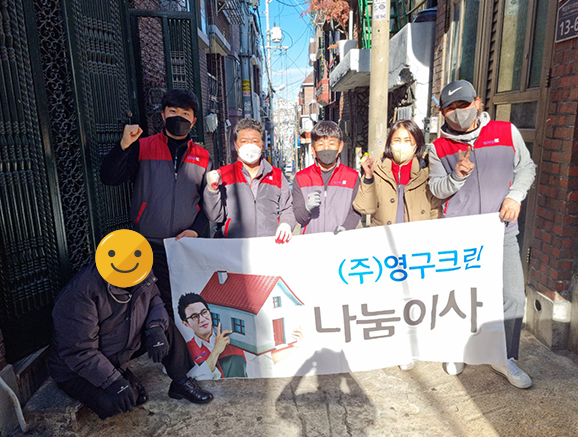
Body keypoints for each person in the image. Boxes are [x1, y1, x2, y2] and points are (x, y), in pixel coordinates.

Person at [428, 79, 536, 388]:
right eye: (450, 108)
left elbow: (526, 168)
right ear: (442, 113)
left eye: (463, 104)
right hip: (459, 235)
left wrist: (514, 197)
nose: (457, 112)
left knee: (512, 296)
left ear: (477, 103)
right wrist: (456, 175)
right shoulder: (438, 148)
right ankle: (458, 349)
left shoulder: (506, 132)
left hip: (501, 230)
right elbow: (437, 189)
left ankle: (505, 357)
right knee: (459, 296)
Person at [48, 263, 213, 420]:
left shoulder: (140, 267)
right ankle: (119, 373)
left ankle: (180, 381)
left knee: (165, 326)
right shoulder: (78, 294)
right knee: (116, 403)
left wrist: (155, 328)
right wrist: (113, 381)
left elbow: (154, 299)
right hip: (74, 369)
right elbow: (80, 352)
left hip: (120, 343)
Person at [100, 88, 211, 317]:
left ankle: (181, 339)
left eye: (185, 113)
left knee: (185, 301)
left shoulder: (203, 156)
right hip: (149, 244)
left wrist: (196, 230)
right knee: (154, 304)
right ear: (163, 115)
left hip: (185, 246)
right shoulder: (143, 146)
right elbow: (109, 178)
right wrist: (123, 145)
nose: (179, 117)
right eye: (173, 111)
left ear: (193, 121)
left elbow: (208, 201)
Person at [353, 119, 443, 370]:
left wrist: (432, 242)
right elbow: (365, 208)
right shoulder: (378, 170)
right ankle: (394, 344)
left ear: (417, 144)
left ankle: (412, 345)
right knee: (390, 297)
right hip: (385, 244)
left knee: (414, 297)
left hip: (416, 245)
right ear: (389, 143)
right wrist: (367, 178)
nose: (401, 146)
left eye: (407, 141)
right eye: (397, 140)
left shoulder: (427, 171)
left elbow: (435, 210)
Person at [203, 118, 295, 242]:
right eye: (244, 141)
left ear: (262, 146)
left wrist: (286, 224)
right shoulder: (224, 174)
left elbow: (287, 208)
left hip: (270, 246)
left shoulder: (277, 175)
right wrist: (211, 190)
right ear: (236, 145)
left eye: (255, 141)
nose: (249, 145)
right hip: (234, 247)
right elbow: (215, 215)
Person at [292, 120, 360, 234]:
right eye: (321, 144)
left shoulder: (352, 177)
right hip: (311, 242)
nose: (326, 148)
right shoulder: (301, 178)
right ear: (313, 149)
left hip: (340, 242)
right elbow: (299, 217)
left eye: (332, 143)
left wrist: (346, 227)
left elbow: (355, 211)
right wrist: (307, 208)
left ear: (340, 146)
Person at [178, 293, 247, 379]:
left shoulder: (234, 338)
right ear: (186, 324)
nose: (202, 319)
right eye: (194, 316)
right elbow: (192, 379)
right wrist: (216, 351)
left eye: (204, 312)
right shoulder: (186, 350)